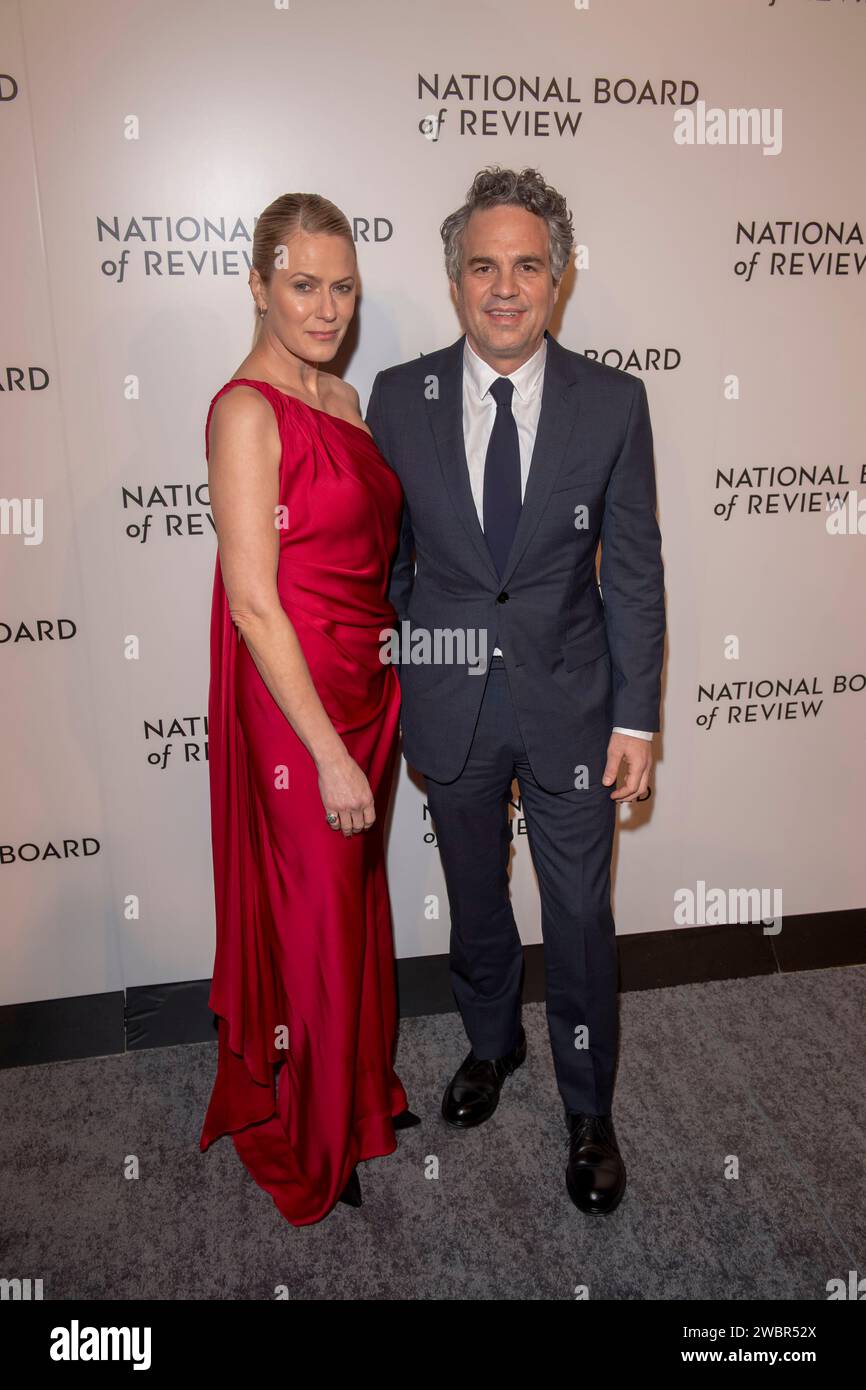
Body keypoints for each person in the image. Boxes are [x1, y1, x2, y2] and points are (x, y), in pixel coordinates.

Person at [366, 166, 665, 1215]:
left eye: (526, 265)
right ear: (453, 282)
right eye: (482, 266)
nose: (504, 286)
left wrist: (634, 715)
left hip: (575, 706)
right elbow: (389, 563)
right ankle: (490, 1048)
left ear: (559, 278)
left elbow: (628, 568)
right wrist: (417, 664)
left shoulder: (613, 403)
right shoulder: (400, 398)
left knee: (579, 911)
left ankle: (589, 1110)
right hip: (451, 705)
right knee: (477, 897)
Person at [199, 192, 418, 1227]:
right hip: (298, 711)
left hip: (363, 687)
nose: (325, 309)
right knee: (319, 920)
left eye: (341, 289)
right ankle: (317, 1137)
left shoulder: (343, 401)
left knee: (354, 901)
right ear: (256, 284)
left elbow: (371, 560)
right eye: (301, 285)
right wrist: (327, 754)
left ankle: (361, 1097)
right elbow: (252, 599)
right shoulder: (245, 412)